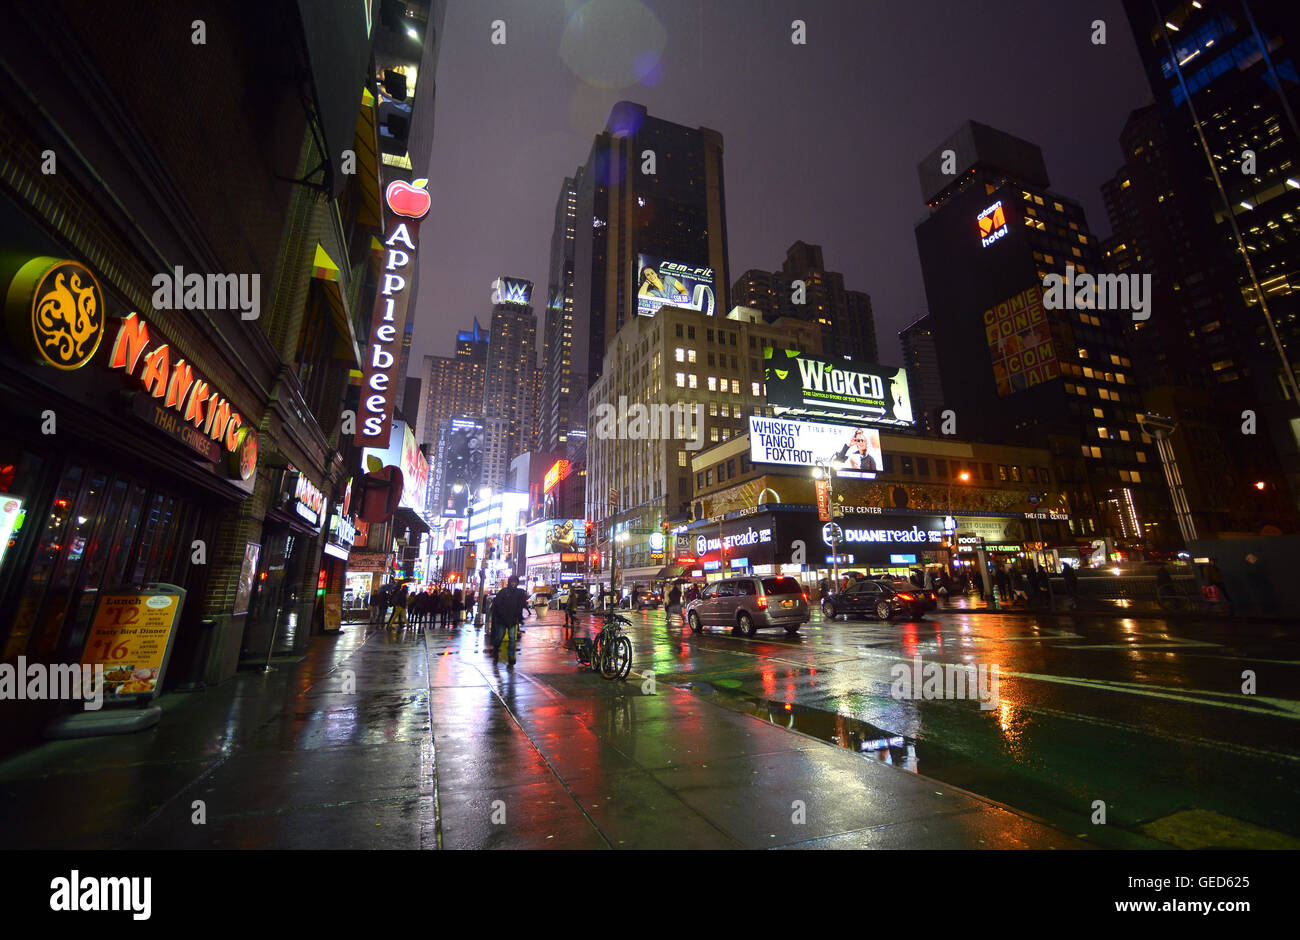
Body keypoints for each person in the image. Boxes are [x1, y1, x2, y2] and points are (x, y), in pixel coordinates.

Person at [490, 575, 529, 667]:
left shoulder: (518, 593)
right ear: (509, 582)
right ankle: (496, 649)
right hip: (503, 620)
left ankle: (511, 657)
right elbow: (497, 605)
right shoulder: (503, 592)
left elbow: (519, 607)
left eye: (515, 582)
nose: (513, 584)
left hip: (512, 620)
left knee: (512, 639)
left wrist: (519, 618)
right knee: (500, 637)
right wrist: (500, 616)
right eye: (512, 582)